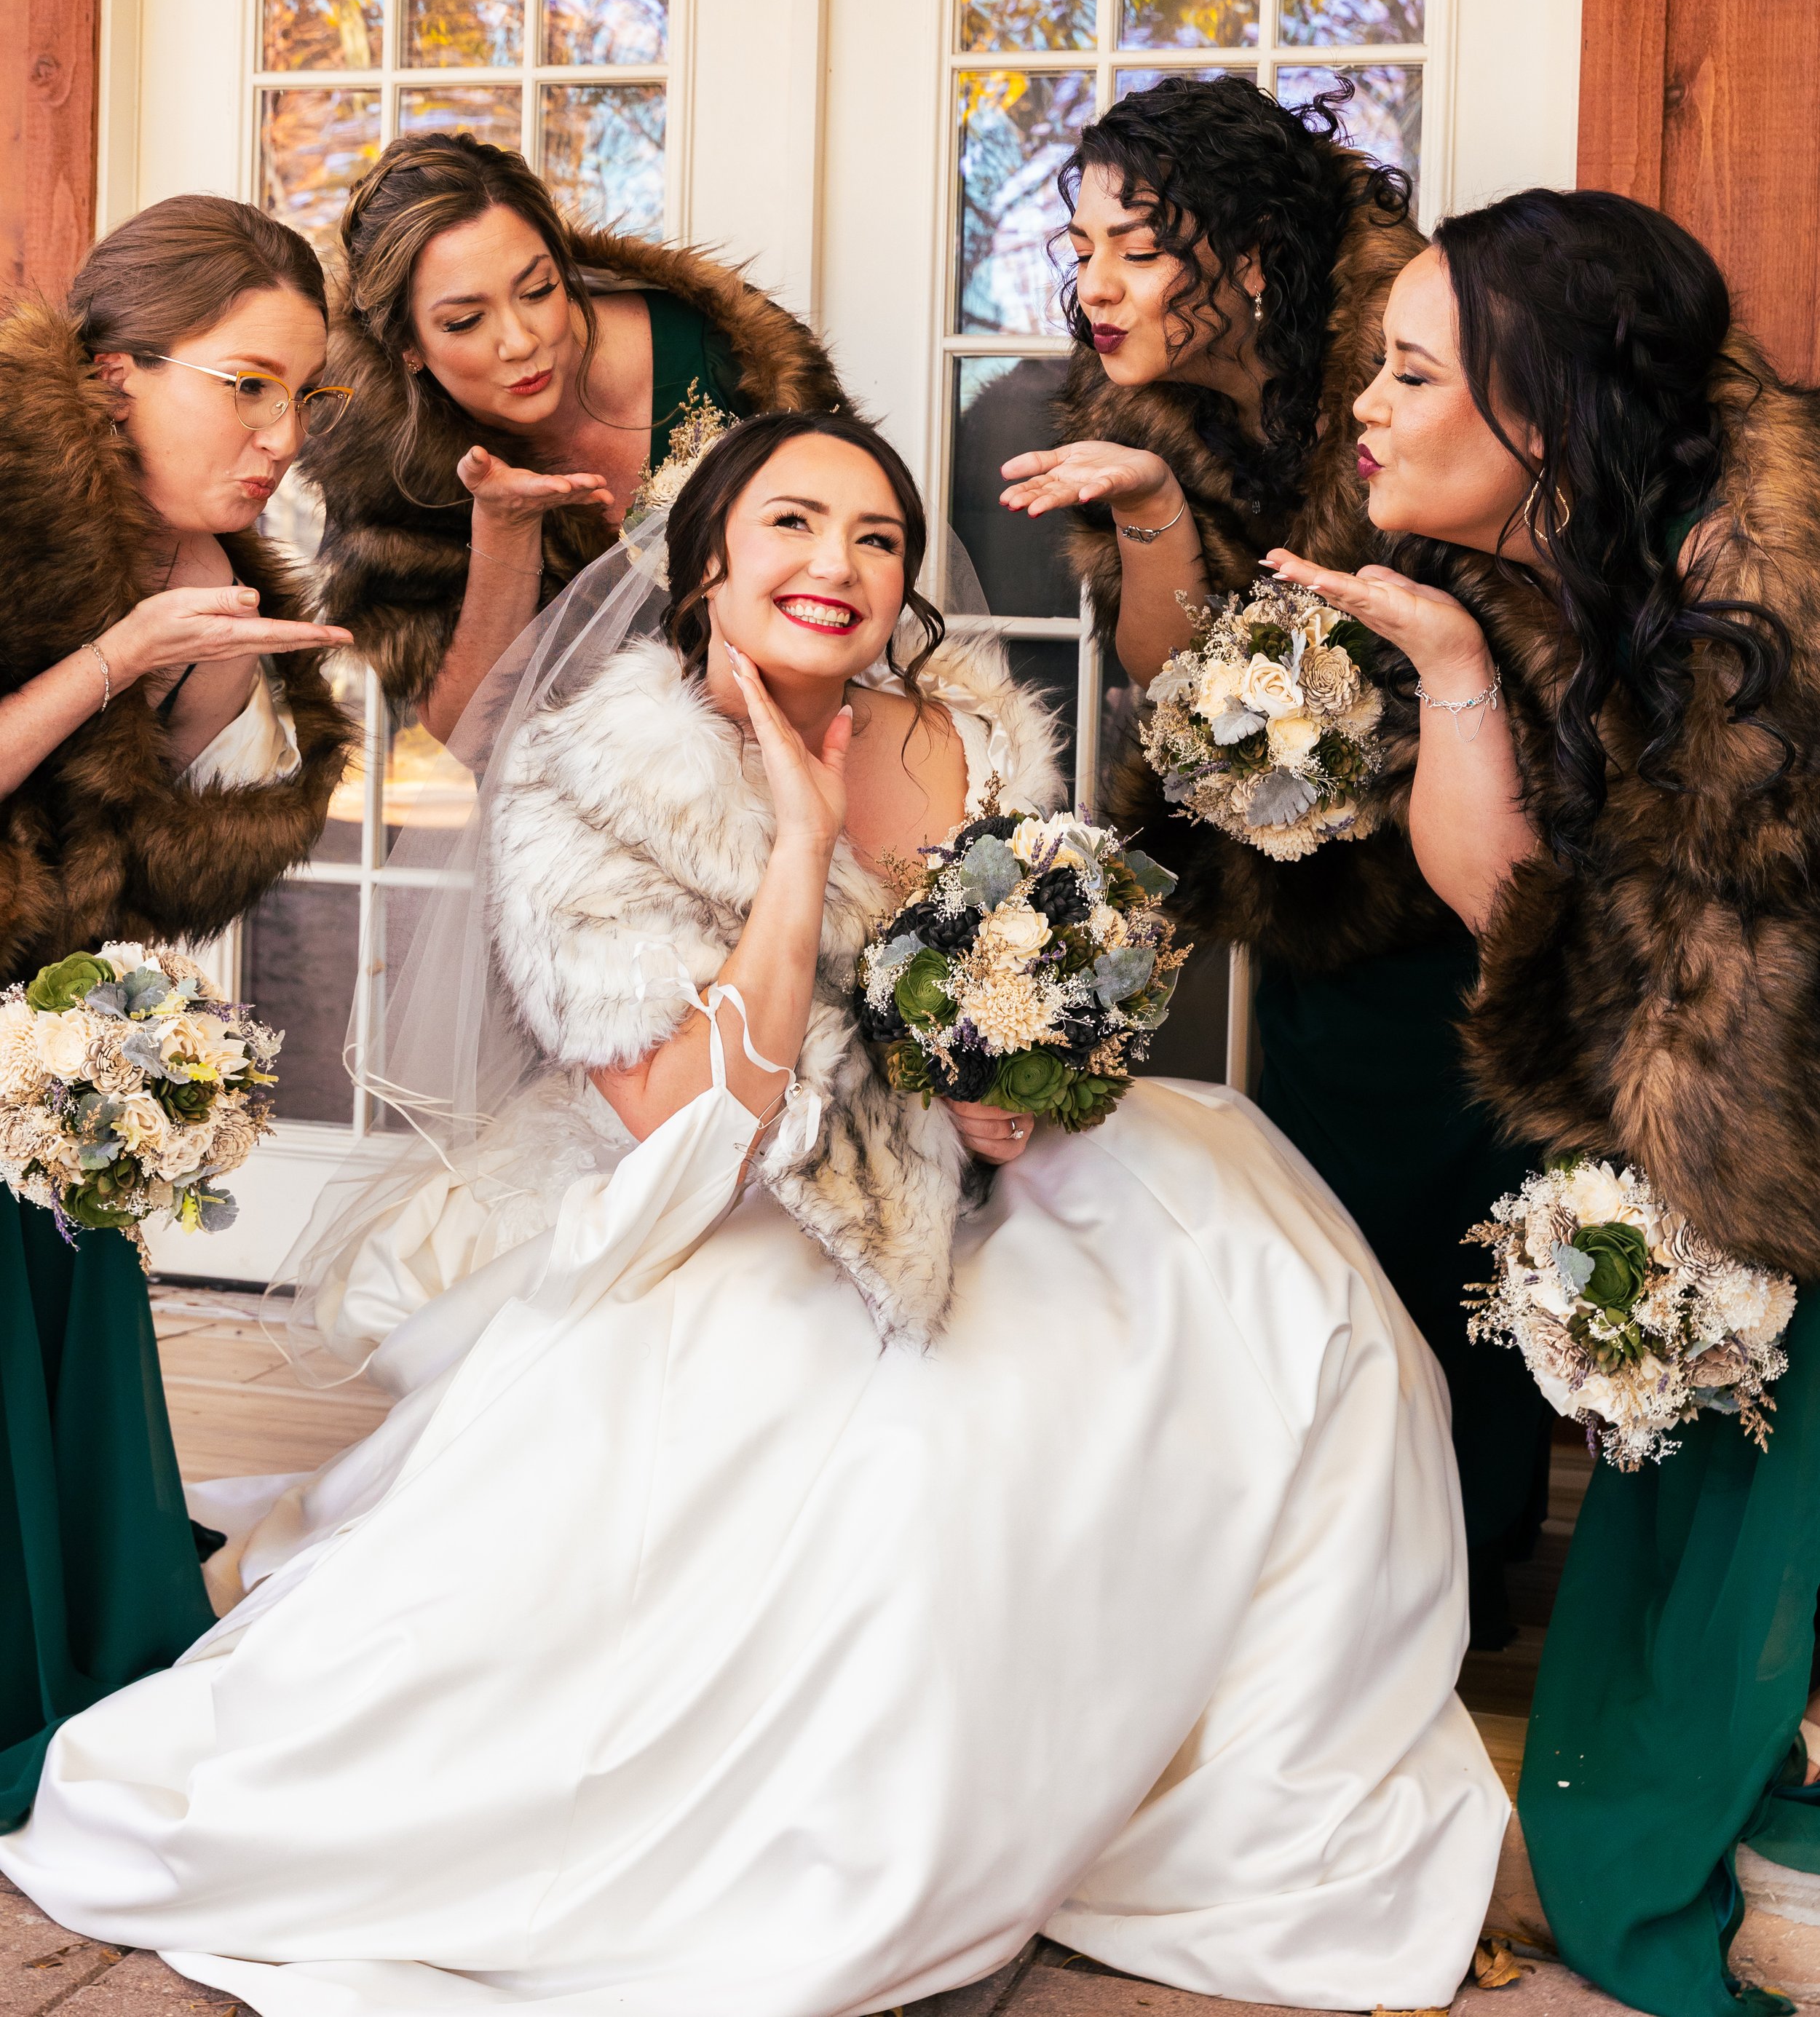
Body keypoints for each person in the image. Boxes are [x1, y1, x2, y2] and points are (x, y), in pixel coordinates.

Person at [2, 410, 1503, 2017]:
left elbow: (1025, 984)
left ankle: (1237, 1758)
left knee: (1270, 1264)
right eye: (792, 524)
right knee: (926, 1470)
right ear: (706, 558)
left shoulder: (967, 730)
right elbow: (692, 1127)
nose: (836, 567)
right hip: (736, 1209)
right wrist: (795, 840)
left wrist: (1020, 1081)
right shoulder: (597, 779)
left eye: (875, 539)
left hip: (977, 1174)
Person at [1270, 186, 1820, 2017]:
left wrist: (1704, 1192)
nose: (1369, 399)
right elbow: (1506, 909)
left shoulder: (1770, 590)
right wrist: (1445, 669)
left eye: (1412, 369)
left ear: (1540, 405)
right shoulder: (1542, 567)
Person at [999, 74, 1554, 1645]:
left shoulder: (1411, 359)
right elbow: (1180, 692)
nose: (1092, 282)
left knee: (1478, 1218)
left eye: (1136, 244)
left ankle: (1466, 1557)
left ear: (1244, 256)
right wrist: (1162, 508)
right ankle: (1350, 1563)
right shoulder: (1132, 415)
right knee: (1331, 1228)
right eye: (1080, 242)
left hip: (1479, 853)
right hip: (1311, 894)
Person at [0, 194, 355, 1830]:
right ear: (113, 371)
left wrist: (204, 684)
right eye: (248, 385)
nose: (283, 436)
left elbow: (150, 863)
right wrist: (113, 656)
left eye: (304, 398)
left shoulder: (202, 566)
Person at [304, 131, 847, 740]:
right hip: (582, 809)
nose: (520, 340)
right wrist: (504, 530)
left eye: (538, 291)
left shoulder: (735, 358)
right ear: (407, 347)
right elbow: (469, 732)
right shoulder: (391, 464)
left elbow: (860, 555)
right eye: (464, 321)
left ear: (566, 270)